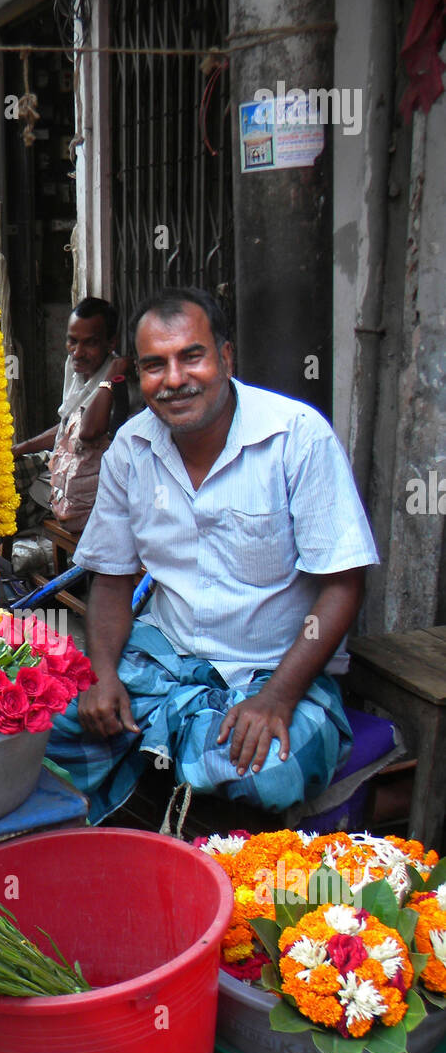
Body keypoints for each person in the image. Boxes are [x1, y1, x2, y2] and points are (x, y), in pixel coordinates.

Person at [45, 286, 380, 823]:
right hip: (163, 658)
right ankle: (162, 788)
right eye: (155, 365)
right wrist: (104, 675)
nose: (174, 380)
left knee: (268, 771)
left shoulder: (296, 437)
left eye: (191, 356)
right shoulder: (132, 448)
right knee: (43, 727)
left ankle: (171, 802)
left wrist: (278, 696)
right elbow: (110, 579)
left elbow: (343, 585)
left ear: (225, 357)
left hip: (272, 666)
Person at [12, 297, 131, 534]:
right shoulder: (74, 366)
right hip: (60, 466)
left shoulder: (116, 381)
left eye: (90, 343)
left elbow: (87, 431)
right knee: (3, 470)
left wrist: (111, 378)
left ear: (110, 343)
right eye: (72, 341)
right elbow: (66, 425)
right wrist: (20, 448)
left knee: (14, 504)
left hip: (88, 486)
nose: (77, 352)